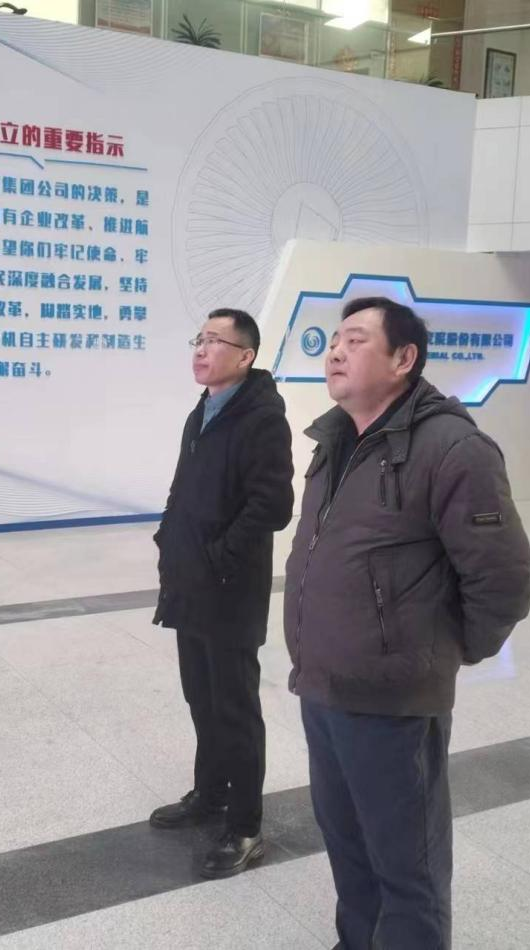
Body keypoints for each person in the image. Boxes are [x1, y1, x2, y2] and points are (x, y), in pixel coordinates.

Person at [283, 297, 530, 948]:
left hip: (392, 703)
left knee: (406, 867)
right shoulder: (332, 441)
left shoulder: (453, 448)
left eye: (355, 340)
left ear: (403, 359)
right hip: (322, 687)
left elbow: (502, 579)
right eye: (333, 340)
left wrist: (434, 655)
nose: (335, 351)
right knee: (347, 846)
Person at [150, 307, 295, 879]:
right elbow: (183, 487)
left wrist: (217, 558)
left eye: (215, 341)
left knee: (235, 709)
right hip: (190, 583)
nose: (201, 349)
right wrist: (168, 538)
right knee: (201, 698)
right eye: (199, 339)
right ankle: (209, 795)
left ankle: (245, 825)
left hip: (230, 590)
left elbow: (272, 507)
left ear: (245, 355)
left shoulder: (262, 419)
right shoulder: (204, 409)